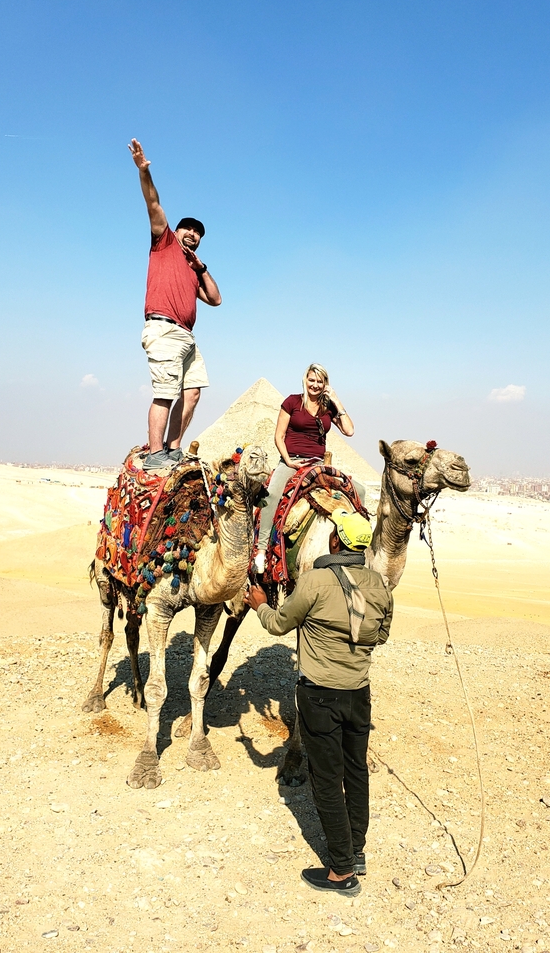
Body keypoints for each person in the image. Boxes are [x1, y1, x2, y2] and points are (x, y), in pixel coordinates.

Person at [245, 509, 393, 897]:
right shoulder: (380, 585)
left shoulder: (312, 582)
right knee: (355, 771)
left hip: (320, 695)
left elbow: (278, 624)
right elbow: (380, 636)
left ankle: (341, 871)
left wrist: (259, 603)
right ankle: (356, 851)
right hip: (359, 694)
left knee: (327, 779)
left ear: (334, 541)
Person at [129, 138, 222, 470]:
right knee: (166, 393)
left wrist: (201, 268)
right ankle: (156, 454)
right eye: (189, 229)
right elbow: (154, 205)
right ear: (176, 231)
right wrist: (143, 172)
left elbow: (216, 299)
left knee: (193, 391)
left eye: (198, 233)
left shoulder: (193, 269)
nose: (193, 235)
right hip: (164, 329)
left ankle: (173, 447)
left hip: (187, 337)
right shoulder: (163, 242)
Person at [254, 363, 362, 572]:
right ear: (305, 380)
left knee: (359, 490)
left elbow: (349, 430)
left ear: (325, 384)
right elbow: (279, 436)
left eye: (319, 381)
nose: (314, 385)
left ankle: (356, 546)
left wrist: (336, 401)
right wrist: (288, 461)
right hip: (292, 461)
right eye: (311, 380)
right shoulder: (292, 402)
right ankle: (260, 550)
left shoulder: (328, 407)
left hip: (318, 465)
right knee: (272, 494)